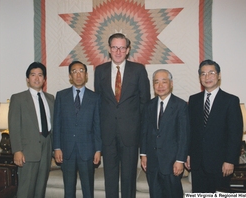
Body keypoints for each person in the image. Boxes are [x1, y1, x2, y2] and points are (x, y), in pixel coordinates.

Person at [94, 33, 150, 198]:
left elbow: (144, 103)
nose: (118, 51)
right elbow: (98, 103)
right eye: (114, 47)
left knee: (128, 178)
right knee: (109, 179)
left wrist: (139, 131)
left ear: (128, 50)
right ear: (109, 49)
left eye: (122, 48)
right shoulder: (100, 71)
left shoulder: (138, 70)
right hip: (108, 134)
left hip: (130, 135)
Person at [185, 59, 243, 192]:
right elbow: (190, 131)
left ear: (219, 75)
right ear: (199, 77)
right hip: (197, 163)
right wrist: (188, 154)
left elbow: (235, 134)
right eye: (203, 74)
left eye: (211, 73)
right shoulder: (194, 100)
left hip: (221, 164)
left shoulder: (231, 101)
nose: (207, 77)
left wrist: (230, 160)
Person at [53, 61, 102, 198]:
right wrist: (57, 147)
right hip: (66, 150)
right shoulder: (61, 96)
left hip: (87, 151)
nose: (78, 74)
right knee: (68, 191)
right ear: (70, 76)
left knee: (88, 190)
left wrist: (98, 150)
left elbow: (97, 125)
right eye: (74, 71)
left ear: (86, 75)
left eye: (81, 71)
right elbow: (57, 123)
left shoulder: (95, 97)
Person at [140, 69, 190, 198]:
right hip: (152, 162)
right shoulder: (148, 106)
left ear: (171, 84)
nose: (160, 86)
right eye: (156, 82)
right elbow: (144, 131)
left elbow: (183, 135)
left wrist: (180, 160)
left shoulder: (180, 105)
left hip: (172, 162)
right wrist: (143, 154)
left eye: (164, 82)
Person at [8, 62, 54, 198]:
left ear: (44, 79)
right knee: (25, 190)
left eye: (40, 75)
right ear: (27, 79)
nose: (37, 78)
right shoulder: (18, 98)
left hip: (46, 149)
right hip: (27, 151)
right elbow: (14, 126)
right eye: (33, 75)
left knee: (40, 190)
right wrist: (17, 150)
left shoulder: (51, 99)